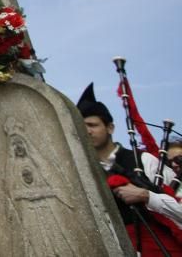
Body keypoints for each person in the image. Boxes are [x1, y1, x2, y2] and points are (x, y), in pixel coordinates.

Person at [77, 83, 182, 255]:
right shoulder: (82, 172)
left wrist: (146, 195)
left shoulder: (144, 160)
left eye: (92, 125)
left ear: (110, 128)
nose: (87, 131)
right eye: (81, 127)